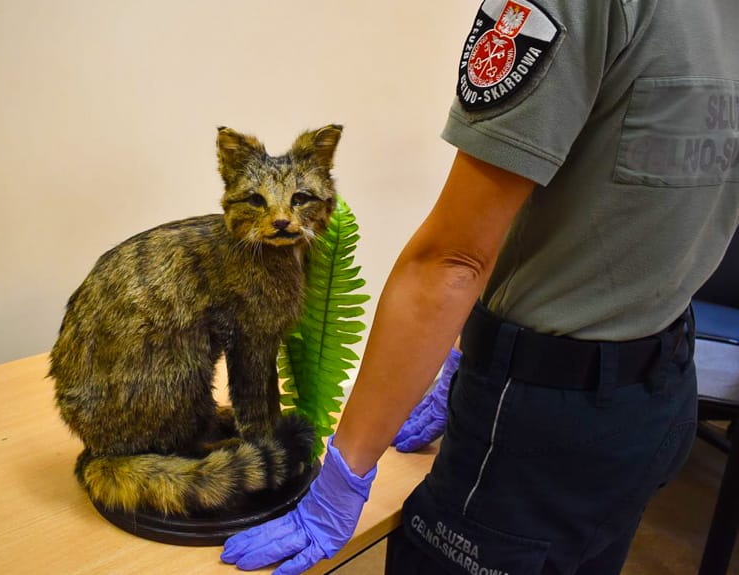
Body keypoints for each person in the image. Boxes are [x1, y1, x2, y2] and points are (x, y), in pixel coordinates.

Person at [221, 0, 739, 573]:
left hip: (539, 424)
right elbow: (617, 199)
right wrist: (462, 354)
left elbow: (452, 261)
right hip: (654, 399)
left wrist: (343, 479)